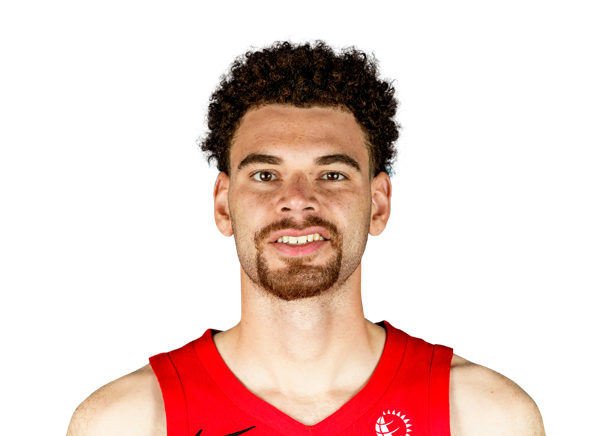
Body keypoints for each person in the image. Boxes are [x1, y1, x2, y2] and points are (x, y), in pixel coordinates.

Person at [66, 37, 545, 436]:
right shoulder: (126, 422)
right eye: (265, 175)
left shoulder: (484, 417)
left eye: (332, 175)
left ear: (378, 204)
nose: (297, 200)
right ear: (223, 205)